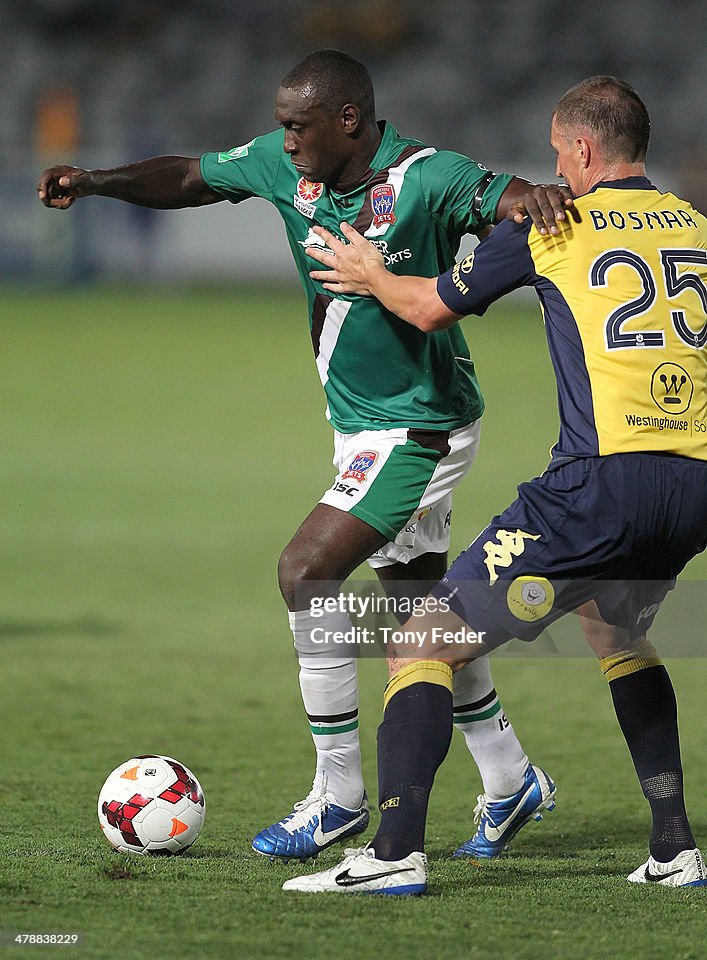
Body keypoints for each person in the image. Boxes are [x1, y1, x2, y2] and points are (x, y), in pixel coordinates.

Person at [37, 49, 570, 863]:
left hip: (420, 425)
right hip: (360, 424)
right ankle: (509, 777)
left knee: (306, 571)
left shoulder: (425, 177)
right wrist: (98, 180)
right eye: (281, 125)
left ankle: (338, 794)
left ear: (347, 120)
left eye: (297, 126)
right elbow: (190, 177)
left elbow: (500, 197)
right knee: (417, 619)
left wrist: (528, 197)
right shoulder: (290, 171)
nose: (284, 142)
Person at [285, 75, 707, 894]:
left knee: (418, 640)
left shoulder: (562, 226)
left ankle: (392, 853)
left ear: (581, 150)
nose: (554, 173)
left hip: (599, 486)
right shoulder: (697, 227)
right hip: (692, 486)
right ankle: (673, 848)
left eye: (557, 155)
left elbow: (426, 307)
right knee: (614, 630)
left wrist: (370, 271)